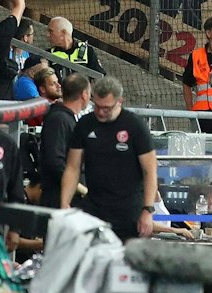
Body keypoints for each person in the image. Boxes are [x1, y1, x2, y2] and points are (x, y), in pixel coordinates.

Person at [60, 77, 159, 242]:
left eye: (106, 108)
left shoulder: (135, 126)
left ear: (120, 101)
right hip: (95, 207)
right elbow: (72, 167)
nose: (100, 112)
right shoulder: (85, 124)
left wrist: (148, 210)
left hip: (128, 211)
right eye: (97, 106)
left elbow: (150, 171)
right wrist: (64, 204)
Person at [33, 73, 90, 203]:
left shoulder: (65, 118)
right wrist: (82, 189)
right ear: (84, 94)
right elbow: (55, 163)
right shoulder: (59, 119)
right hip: (58, 200)